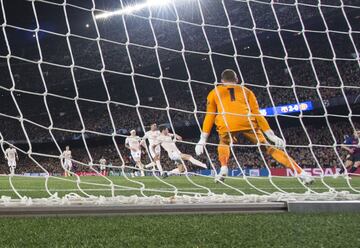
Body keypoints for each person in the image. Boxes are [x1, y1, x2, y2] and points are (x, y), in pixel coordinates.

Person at [195, 69, 314, 184]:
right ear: (236, 79)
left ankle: (224, 167)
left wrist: (203, 139)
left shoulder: (214, 92)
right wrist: (271, 135)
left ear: (221, 80)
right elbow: (257, 113)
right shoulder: (247, 91)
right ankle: (302, 173)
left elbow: (209, 115)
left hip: (227, 123)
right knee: (269, 148)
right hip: (248, 122)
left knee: (223, 143)